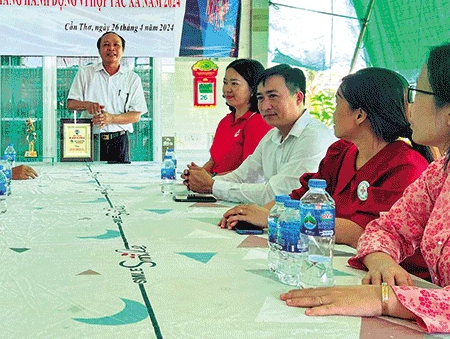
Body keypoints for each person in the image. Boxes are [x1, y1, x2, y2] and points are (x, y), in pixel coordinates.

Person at [281, 44, 450, 334]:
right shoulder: (439, 175)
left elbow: (359, 230)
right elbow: (385, 229)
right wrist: (381, 260)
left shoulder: (406, 163)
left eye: (416, 92)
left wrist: (384, 299)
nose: (408, 106)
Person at [220, 68, 431, 265]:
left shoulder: (404, 166)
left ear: (359, 115)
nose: (333, 113)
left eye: (338, 103)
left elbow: (362, 231)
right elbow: (301, 196)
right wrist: (255, 213)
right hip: (336, 258)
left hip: (391, 274)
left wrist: (274, 219)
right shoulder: (341, 152)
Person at [184, 64, 335, 205]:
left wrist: (212, 185)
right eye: (261, 98)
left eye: (273, 96)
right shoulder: (272, 136)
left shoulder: (314, 136)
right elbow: (242, 176)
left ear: (298, 98)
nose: (265, 106)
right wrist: (202, 181)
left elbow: (278, 194)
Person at [66, 32, 148, 163]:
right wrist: (87, 105)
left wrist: (111, 118)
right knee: (84, 175)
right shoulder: (85, 73)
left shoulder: (132, 79)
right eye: (106, 45)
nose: (111, 48)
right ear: (99, 50)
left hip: (119, 140)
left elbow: (136, 116)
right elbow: (70, 104)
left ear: (122, 50)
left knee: (119, 176)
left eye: (116, 45)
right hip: (88, 139)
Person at [189, 59, 272, 176]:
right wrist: (197, 175)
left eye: (234, 83)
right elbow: (214, 161)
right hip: (216, 185)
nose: (227, 89)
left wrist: (211, 180)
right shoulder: (225, 121)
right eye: (225, 82)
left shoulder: (259, 122)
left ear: (253, 88)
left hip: (234, 187)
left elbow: (250, 173)